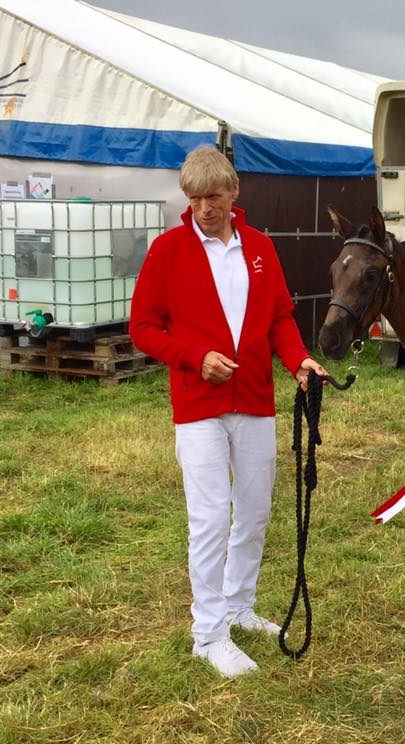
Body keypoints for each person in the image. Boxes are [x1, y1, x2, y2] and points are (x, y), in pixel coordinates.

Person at [130, 146, 327, 677]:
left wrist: (299, 360)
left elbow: (281, 318)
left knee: (255, 511)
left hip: (256, 400)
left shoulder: (260, 248)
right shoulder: (167, 251)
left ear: (234, 192)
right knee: (211, 517)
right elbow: (143, 328)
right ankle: (208, 632)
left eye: (213, 197)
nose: (203, 209)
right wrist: (194, 358)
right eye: (194, 199)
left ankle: (239, 606)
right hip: (198, 406)